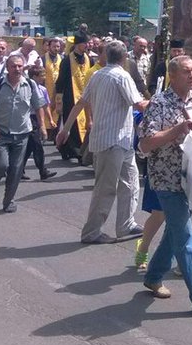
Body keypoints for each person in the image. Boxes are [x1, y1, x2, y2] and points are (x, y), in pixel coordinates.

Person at [137, 55, 192, 315]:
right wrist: (178, 129)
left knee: (175, 230)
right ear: (173, 75)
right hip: (165, 178)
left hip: (191, 176)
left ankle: (153, 276)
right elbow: (147, 142)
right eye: (187, 72)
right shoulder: (159, 103)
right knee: (184, 234)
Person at [57, 40, 146, 243]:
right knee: (106, 188)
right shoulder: (121, 76)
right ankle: (91, 232)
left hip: (120, 140)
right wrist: (159, 101)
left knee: (131, 182)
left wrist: (66, 129)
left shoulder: (98, 74)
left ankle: (126, 224)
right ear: (124, 58)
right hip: (112, 140)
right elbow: (139, 104)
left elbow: (81, 103)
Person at [0, 55, 42, 213]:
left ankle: (8, 201)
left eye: (20, 66)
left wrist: (42, 126)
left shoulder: (30, 84)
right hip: (0, 134)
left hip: (22, 134)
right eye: (14, 66)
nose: (17, 69)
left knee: (16, 169)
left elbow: (38, 106)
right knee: (1, 166)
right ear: (7, 67)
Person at [55, 35, 96, 163]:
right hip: (70, 97)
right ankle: (70, 150)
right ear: (78, 44)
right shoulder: (67, 60)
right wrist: (59, 101)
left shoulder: (89, 59)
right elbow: (60, 81)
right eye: (85, 43)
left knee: (86, 123)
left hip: (86, 98)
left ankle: (81, 150)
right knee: (71, 124)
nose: (88, 46)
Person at [19, 63, 57, 182]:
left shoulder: (42, 88)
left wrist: (49, 119)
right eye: (41, 75)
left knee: (30, 147)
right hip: (27, 117)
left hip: (35, 118)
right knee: (37, 146)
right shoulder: (27, 84)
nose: (44, 78)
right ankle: (42, 171)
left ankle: (19, 170)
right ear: (34, 77)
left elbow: (44, 105)